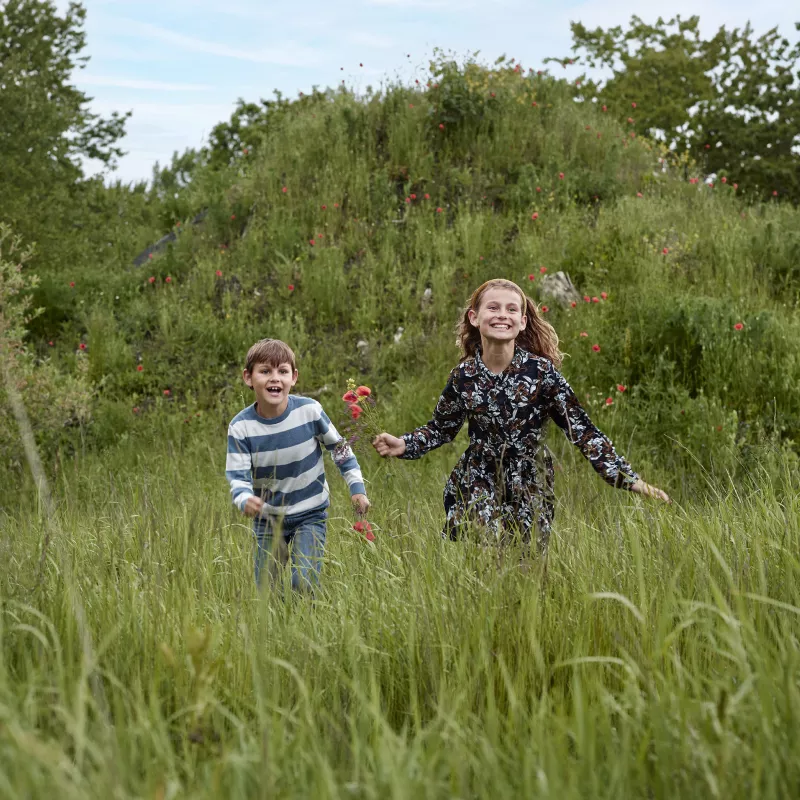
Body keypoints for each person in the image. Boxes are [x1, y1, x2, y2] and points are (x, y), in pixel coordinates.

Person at [372, 278, 669, 553]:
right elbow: (441, 428)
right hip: (479, 475)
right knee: (483, 547)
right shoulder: (464, 377)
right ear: (474, 318)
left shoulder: (541, 374)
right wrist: (404, 444)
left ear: (522, 322)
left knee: (524, 560)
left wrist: (628, 479)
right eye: (493, 307)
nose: (502, 314)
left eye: (511, 309)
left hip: (531, 477)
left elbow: (582, 430)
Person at [226, 338, 370, 591]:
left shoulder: (310, 412)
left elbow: (340, 449)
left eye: (282, 371)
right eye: (265, 371)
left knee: (303, 583)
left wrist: (356, 488)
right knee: (266, 592)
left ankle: (305, 620)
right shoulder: (241, 428)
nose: (275, 378)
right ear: (248, 378)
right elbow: (237, 476)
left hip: (310, 514)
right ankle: (278, 626)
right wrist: (244, 498)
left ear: (294, 377)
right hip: (267, 519)